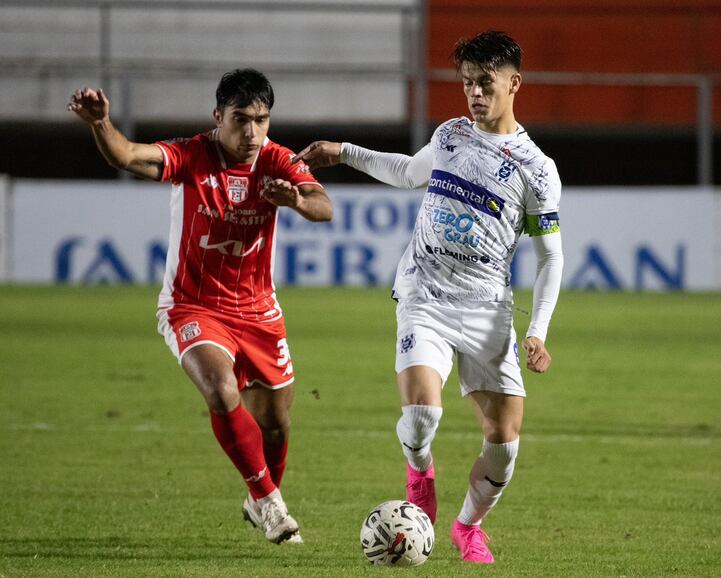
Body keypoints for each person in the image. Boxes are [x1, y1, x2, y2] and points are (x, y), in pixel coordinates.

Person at [293, 31, 563, 563]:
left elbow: (550, 257)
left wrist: (537, 332)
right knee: (421, 415)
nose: (474, 94)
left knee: (504, 445)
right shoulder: (451, 136)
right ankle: (420, 474)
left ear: (514, 83)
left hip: (487, 310)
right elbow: (407, 173)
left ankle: (468, 527)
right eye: (467, 83)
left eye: (485, 83)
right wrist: (343, 152)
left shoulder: (537, 170)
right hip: (425, 294)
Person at [68, 68, 333, 545]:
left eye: (262, 120)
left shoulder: (276, 160)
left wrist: (294, 199)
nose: (252, 132)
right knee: (219, 387)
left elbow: (323, 205)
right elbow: (128, 155)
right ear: (218, 116)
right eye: (240, 120)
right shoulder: (191, 155)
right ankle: (271, 505)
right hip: (192, 306)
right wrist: (100, 124)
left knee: (276, 425)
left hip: (258, 310)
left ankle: (259, 497)